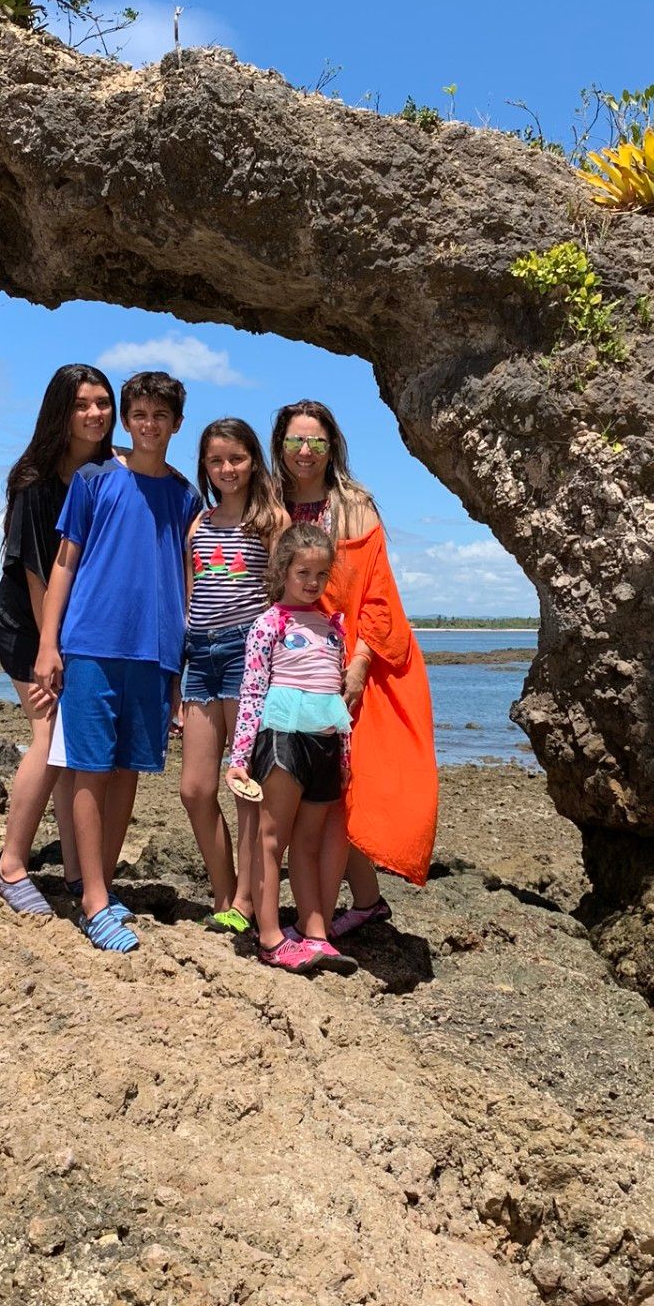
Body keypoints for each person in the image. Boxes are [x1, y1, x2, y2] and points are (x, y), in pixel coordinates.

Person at [35, 370, 202, 953]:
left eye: (160, 416)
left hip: (155, 653)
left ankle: (103, 884)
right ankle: (93, 898)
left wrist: (181, 668)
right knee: (89, 767)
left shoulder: (186, 497)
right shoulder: (94, 479)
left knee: (128, 769)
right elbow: (63, 563)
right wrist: (48, 644)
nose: (148, 425)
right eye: (139, 415)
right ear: (126, 421)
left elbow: (190, 582)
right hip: (92, 645)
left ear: (176, 425)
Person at [270, 399, 439, 933]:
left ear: (331, 446)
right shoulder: (269, 503)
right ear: (279, 446)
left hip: (354, 664)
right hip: (291, 663)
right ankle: (362, 900)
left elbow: (379, 597)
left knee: (347, 787)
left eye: (315, 442)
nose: (304, 451)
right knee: (308, 790)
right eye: (295, 440)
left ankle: (332, 913)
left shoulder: (355, 506)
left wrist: (361, 662)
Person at [0, 365, 115, 916]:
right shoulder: (36, 484)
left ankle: (71, 870)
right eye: (81, 404)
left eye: (102, 403)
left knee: (67, 744)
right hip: (29, 622)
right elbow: (39, 575)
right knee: (50, 735)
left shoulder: (109, 475)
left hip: (77, 629)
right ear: (60, 413)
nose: (94, 414)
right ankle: (10, 865)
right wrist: (49, 649)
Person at [225, 524, 357, 974]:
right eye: (303, 572)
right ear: (283, 570)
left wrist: (344, 758)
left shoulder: (332, 626)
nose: (313, 582)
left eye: (322, 573)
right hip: (282, 740)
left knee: (308, 841)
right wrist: (239, 760)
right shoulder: (269, 624)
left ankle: (314, 931)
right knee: (270, 840)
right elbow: (251, 692)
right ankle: (268, 936)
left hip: (324, 742)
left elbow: (336, 695)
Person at [180, 419, 287, 933]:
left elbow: (281, 599)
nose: (227, 469)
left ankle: (243, 902)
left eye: (237, 458)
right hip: (200, 657)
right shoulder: (198, 524)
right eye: (216, 460)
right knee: (195, 790)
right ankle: (223, 892)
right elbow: (188, 598)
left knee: (244, 787)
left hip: (248, 654)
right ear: (205, 465)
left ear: (253, 462)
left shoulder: (271, 521)